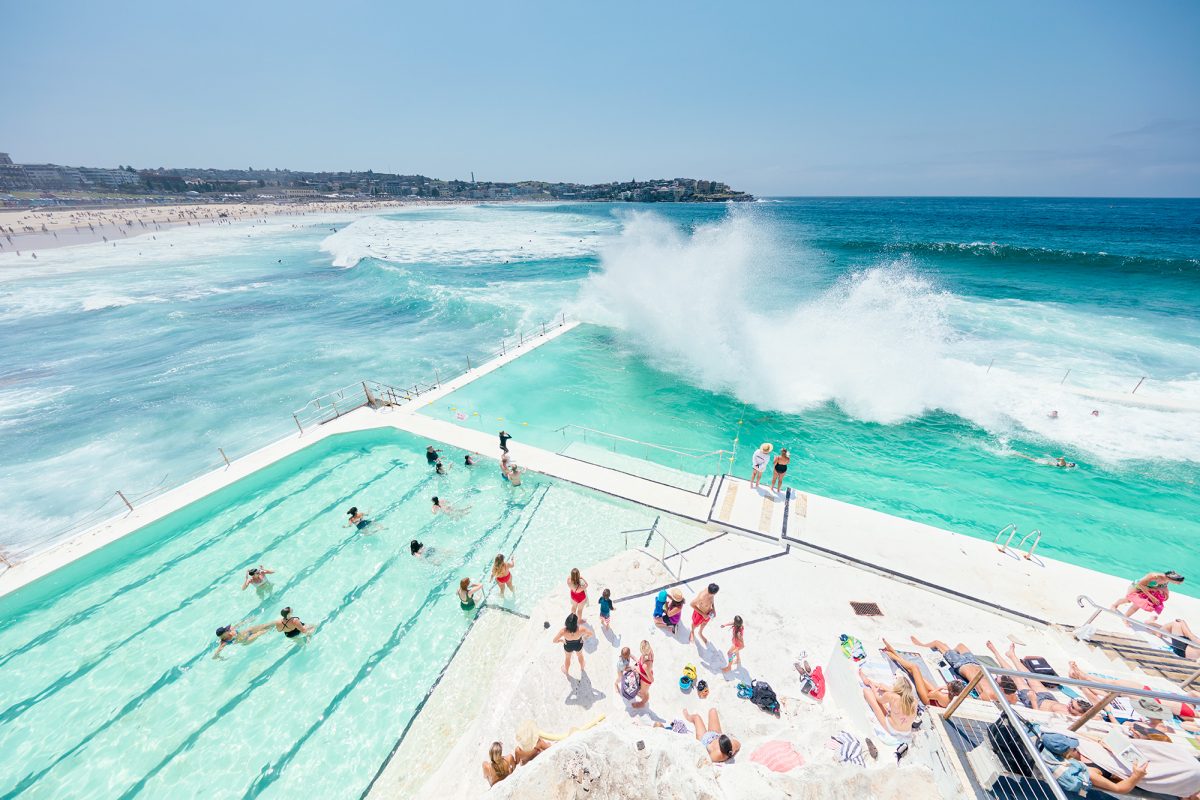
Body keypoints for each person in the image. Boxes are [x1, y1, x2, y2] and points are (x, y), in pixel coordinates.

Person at [1068, 662, 1199, 727]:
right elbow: (1193, 693)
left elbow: (1185, 724)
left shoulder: (1190, 714)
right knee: (1114, 684)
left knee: (1112, 690)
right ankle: (1084, 676)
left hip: (1150, 703)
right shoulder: (1190, 702)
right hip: (1148, 695)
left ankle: (1083, 678)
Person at [985, 641, 1092, 717]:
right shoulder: (1082, 715)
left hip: (1035, 702)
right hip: (1049, 697)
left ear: (1079, 714)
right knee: (1030, 675)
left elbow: (1038, 717)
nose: (1069, 706)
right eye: (1070, 703)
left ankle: (995, 652)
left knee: (1015, 677)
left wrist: (1032, 699)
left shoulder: (1065, 717)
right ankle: (1012, 656)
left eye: (1072, 708)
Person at [1038, 732, 1148, 796]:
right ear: (1066, 754)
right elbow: (1119, 789)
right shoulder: (1089, 772)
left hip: (1126, 753)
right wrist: (1136, 776)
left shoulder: (1080, 748)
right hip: (1137, 775)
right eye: (1072, 747)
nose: (1075, 746)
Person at [881, 639, 965, 709]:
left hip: (927, 700)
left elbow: (930, 695)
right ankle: (894, 653)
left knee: (914, 668)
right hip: (934, 698)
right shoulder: (955, 699)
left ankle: (893, 655)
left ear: (951, 690)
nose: (948, 683)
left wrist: (939, 689)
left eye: (949, 684)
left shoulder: (940, 695)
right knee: (918, 675)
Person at [910, 636, 998, 702]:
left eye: (998, 679)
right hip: (974, 662)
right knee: (960, 645)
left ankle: (921, 645)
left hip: (961, 663)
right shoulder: (995, 688)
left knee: (937, 643)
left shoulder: (986, 694)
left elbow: (970, 700)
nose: (997, 679)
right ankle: (948, 651)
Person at [859, 671, 918, 737]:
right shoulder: (915, 701)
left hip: (892, 729)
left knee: (867, 692)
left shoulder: (892, 696)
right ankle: (870, 682)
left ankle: (868, 682)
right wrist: (883, 687)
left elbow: (878, 700)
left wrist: (872, 686)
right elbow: (897, 693)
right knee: (891, 707)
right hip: (906, 732)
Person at [1111, 571, 1185, 622]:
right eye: (1178, 582)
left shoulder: (1167, 580)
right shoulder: (1154, 576)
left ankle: (1125, 617)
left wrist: (1166, 595)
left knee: (1137, 605)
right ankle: (1114, 605)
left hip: (1146, 590)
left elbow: (1164, 587)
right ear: (1173, 579)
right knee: (1128, 600)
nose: (1178, 584)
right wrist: (1152, 597)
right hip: (1136, 587)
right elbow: (1140, 584)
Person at [553, 613, 591, 677]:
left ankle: (566, 671)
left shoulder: (563, 631)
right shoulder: (581, 629)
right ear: (575, 623)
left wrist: (561, 640)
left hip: (568, 646)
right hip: (578, 644)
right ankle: (582, 668)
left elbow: (554, 641)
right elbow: (590, 634)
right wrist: (584, 638)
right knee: (580, 656)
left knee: (567, 658)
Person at [631, 640, 654, 708]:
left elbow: (651, 680)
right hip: (646, 673)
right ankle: (641, 693)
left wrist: (639, 671)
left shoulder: (646, 665)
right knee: (641, 690)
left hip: (646, 680)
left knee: (645, 693)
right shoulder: (650, 651)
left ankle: (642, 703)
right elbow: (644, 659)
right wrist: (637, 660)